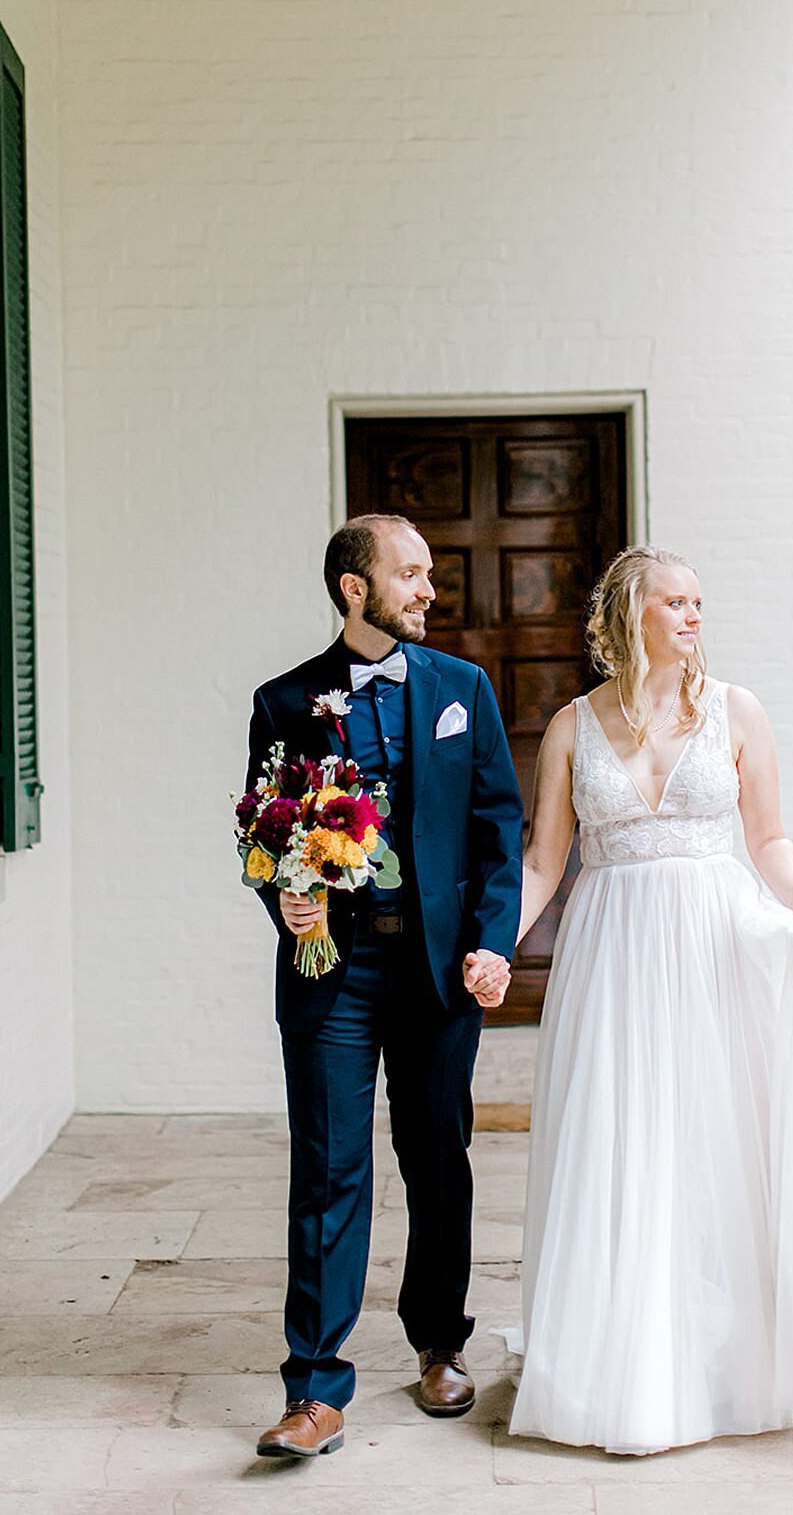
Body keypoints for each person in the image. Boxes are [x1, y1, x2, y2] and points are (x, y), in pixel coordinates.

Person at [507, 545, 793, 1455]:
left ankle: (729, 1358)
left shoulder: (737, 711)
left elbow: (769, 834)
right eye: (676, 601)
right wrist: (490, 943)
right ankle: (623, 1365)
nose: (694, 615)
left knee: (712, 1142)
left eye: (700, 601)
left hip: (713, 943)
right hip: (613, 955)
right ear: (634, 614)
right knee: (621, 1144)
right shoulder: (569, 727)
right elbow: (544, 862)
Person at [244, 513, 522, 1459]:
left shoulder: (462, 690)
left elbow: (497, 833)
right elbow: (262, 834)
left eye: (431, 573)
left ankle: (440, 1339)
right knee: (328, 1165)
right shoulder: (284, 701)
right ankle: (314, 1387)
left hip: (439, 971)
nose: (429, 589)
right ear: (353, 588)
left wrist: (493, 943)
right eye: (410, 574)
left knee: (437, 1154)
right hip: (336, 972)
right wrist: (287, 895)